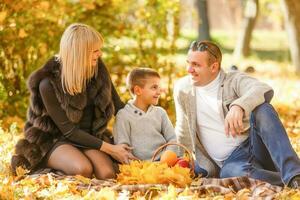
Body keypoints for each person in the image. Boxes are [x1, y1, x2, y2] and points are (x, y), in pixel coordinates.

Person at [11, 23, 137, 179]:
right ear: (79, 53)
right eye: (95, 51)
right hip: (55, 139)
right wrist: (111, 149)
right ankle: (49, 169)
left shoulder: (98, 70)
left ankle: (77, 160)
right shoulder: (47, 83)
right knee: (82, 169)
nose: (100, 54)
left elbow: (120, 108)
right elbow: (69, 131)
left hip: (90, 137)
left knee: (107, 173)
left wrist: (147, 121)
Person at [173, 40, 300, 188]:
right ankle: (287, 180)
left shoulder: (233, 80)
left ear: (214, 67)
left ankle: (295, 176)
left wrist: (239, 106)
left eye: (196, 65)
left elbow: (261, 88)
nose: (189, 69)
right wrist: (180, 160)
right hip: (231, 163)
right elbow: (183, 130)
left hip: (254, 146)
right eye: (188, 63)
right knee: (231, 173)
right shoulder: (183, 89)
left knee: (263, 109)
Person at [113, 68, 177, 162]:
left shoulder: (160, 113)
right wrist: (135, 165)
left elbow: (172, 139)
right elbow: (123, 148)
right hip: (139, 168)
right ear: (138, 90)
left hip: (164, 164)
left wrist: (166, 160)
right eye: (154, 87)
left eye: (159, 88)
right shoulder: (123, 116)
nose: (159, 92)